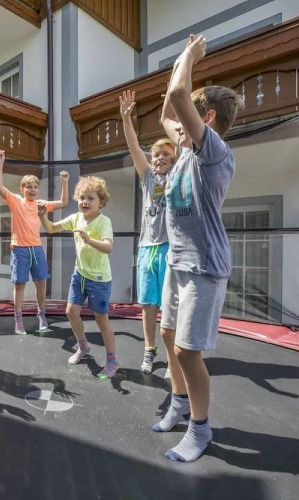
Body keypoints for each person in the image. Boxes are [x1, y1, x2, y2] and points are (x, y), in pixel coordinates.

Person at [152, 34, 245, 463]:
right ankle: (178, 404)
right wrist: (179, 60)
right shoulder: (185, 149)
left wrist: (190, 56)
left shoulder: (214, 153)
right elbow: (166, 111)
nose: (179, 121)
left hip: (204, 267)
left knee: (188, 351)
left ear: (205, 118)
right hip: (178, 262)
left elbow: (176, 96)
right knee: (168, 336)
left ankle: (200, 429)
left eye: (190, 113)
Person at [119, 89, 177, 374]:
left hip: (170, 247)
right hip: (146, 248)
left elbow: (186, 145)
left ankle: (173, 357)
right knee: (148, 305)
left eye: (166, 154)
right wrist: (126, 119)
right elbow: (133, 147)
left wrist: (174, 108)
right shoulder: (148, 177)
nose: (159, 157)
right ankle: (149, 350)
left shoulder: (178, 175)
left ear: (174, 159)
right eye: (156, 154)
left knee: (170, 306)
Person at [38, 176, 118, 379]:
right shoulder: (76, 218)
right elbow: (51, 228)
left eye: (91, 198)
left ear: (101, 201)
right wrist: (42, 216)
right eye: (82, 197)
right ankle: (83, 347)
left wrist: (89, 240)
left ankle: (112, 360)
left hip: (99, 279)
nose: (85, 202)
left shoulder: (104, 222)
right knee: (71, 312)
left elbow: (108, 247)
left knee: (101, 320)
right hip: (80, 275)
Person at [0, 149, 69, 335]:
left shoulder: (41, 204)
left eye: (35, 187)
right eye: (28, 187)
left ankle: (42, 316)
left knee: (41, 283)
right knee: (20, 285)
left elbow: (63, 202)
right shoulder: (16, 201)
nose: (32, 190)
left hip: (36, 249)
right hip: (19, 249)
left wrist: (64, 182)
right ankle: (18, 320)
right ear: (22, 189)